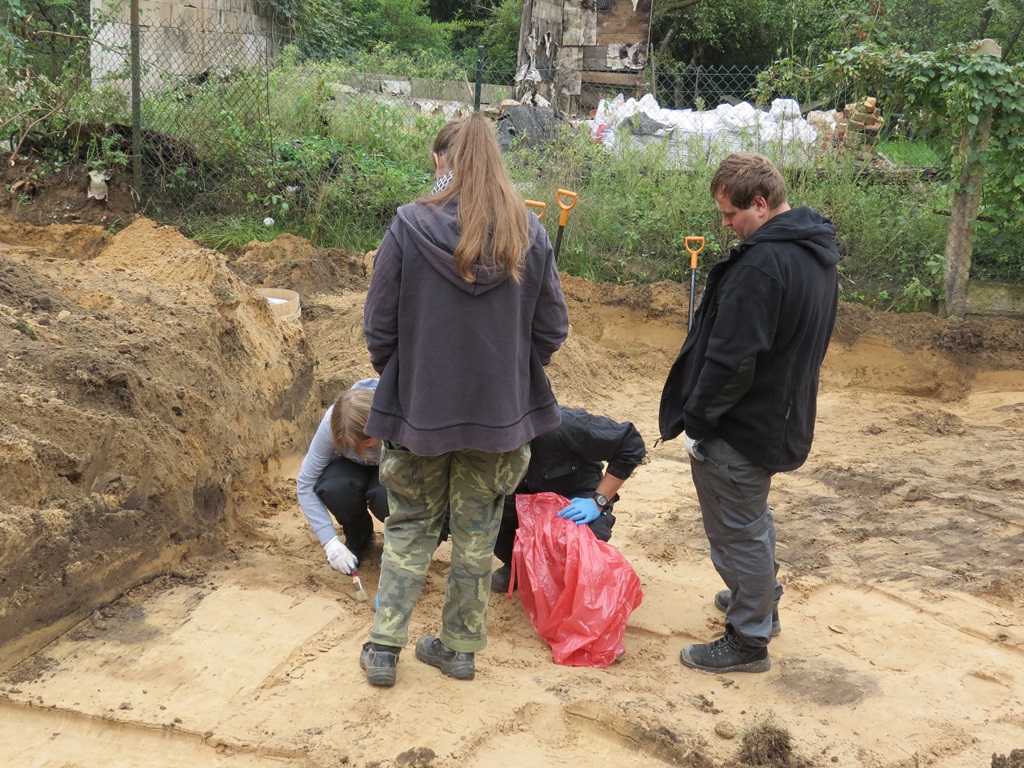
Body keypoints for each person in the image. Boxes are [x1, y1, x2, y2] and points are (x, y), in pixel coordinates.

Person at [359, 113, 569, 687]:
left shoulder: (407, 225)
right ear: (498, 162)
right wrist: (510, 376)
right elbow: (552, 329)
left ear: (442, 161)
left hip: (420, 413)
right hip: (499, 421)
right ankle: (459, 650)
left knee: (409, 526)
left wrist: (409, 378)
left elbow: (378, 327)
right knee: (477, 533)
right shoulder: (530, 234)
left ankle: (384, 648)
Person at [659, 152, 839, 674]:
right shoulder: (815, 254)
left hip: (741, 425)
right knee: (751, 522)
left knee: (739, 530)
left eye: (729, 215)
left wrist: (699, 422)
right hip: (778, 414)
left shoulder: (762, 264)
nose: (725, 226)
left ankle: (749, 638)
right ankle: (757, 598)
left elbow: (731, 361)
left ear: (759, 205)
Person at [490, 405, 647, 592]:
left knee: (580, 545)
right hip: (526, 499)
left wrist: (598, 502)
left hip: (577, 499)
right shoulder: (483, 436)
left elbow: (630, 444)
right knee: (488, 513)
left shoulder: (561, 424)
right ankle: (517, 566)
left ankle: (579, 577)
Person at [295, 378, 387, 575]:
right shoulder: (332, 422)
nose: (358, 449)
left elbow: (426, 482)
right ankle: (359, 535)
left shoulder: (399, 419)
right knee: (335, 487)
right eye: (348, 443)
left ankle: (396, 541)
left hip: (391, 468)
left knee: (384, 496)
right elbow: (305, 484)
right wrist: (330, 542)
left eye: (366, 443)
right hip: (350, 468)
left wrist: (407, 547)